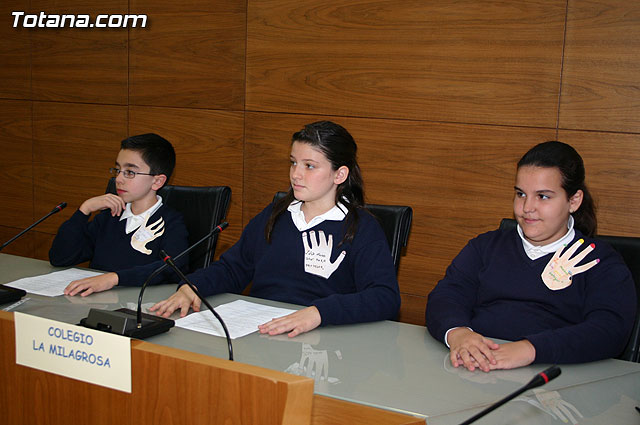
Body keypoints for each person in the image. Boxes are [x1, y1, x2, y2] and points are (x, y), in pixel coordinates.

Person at [150, 121, 401, 337]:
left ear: (340, 175)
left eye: (309, 166)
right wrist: (192, 287)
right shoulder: (276, 214)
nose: (296, 175)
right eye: (293, 163)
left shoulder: (361, 227)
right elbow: (232, 268)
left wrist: (319, 313)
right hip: (262, 331)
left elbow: (385, 297)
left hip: (324, 337)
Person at [425, 141, 636, 371]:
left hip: (556, 379)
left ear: (573, 201)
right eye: (520, 194)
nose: (527, 208)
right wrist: (458, 333)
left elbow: (609, 330)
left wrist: (531, 349)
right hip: (475, 370)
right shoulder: (485, 247)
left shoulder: (599, 261)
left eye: (543, 196)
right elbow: (445, 296)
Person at [49, 133, 189, 296]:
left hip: (140, 308)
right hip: (95, 303)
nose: (119, 179)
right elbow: (60, 258)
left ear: (157, 181)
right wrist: (84, 210)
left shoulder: (172, 222)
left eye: (129, 172)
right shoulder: (109, 217)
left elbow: (172, 269)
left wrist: (114, 279)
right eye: (118, 170)